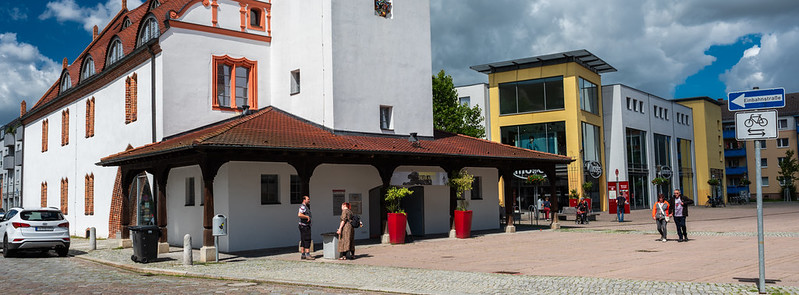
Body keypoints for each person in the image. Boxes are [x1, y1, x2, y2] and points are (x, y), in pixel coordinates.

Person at [297, 195, 314, 260]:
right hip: (304, 226)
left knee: (303, 240)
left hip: (303, 226)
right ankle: (307, 254)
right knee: (307, 239)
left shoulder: (305, 207)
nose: (309, 200)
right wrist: (307, 217)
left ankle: (303, 254)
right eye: (308, 199)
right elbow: (299, 214)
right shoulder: (303, 206)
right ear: (304, 200)